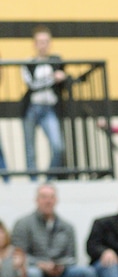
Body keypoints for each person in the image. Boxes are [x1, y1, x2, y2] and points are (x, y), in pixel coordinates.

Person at [11, 185, 99, 277]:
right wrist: (40, 264)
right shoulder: (23, 224)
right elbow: (18, 255)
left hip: (61, 273)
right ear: (37, 200)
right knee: (34, 274)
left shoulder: (67, 226)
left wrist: (60, 266)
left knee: (88, 273)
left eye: (51, 197)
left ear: (56, 200)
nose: (48, 201)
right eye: (44, 197)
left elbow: (72, 258)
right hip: (34, 273)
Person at [21, 27, 67, 177]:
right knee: (30, 148)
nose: (43, 45)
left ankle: (49, 178)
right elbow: (32, 85)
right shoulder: (28, 62)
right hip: (32, 107)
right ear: (34, 44)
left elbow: (65, 79)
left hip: (50, 108)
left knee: (58, 146)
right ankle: (33, 181)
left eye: (46, 41)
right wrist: (52, 79)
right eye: (40, 41)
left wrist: (62, 77)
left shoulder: (56, 60)